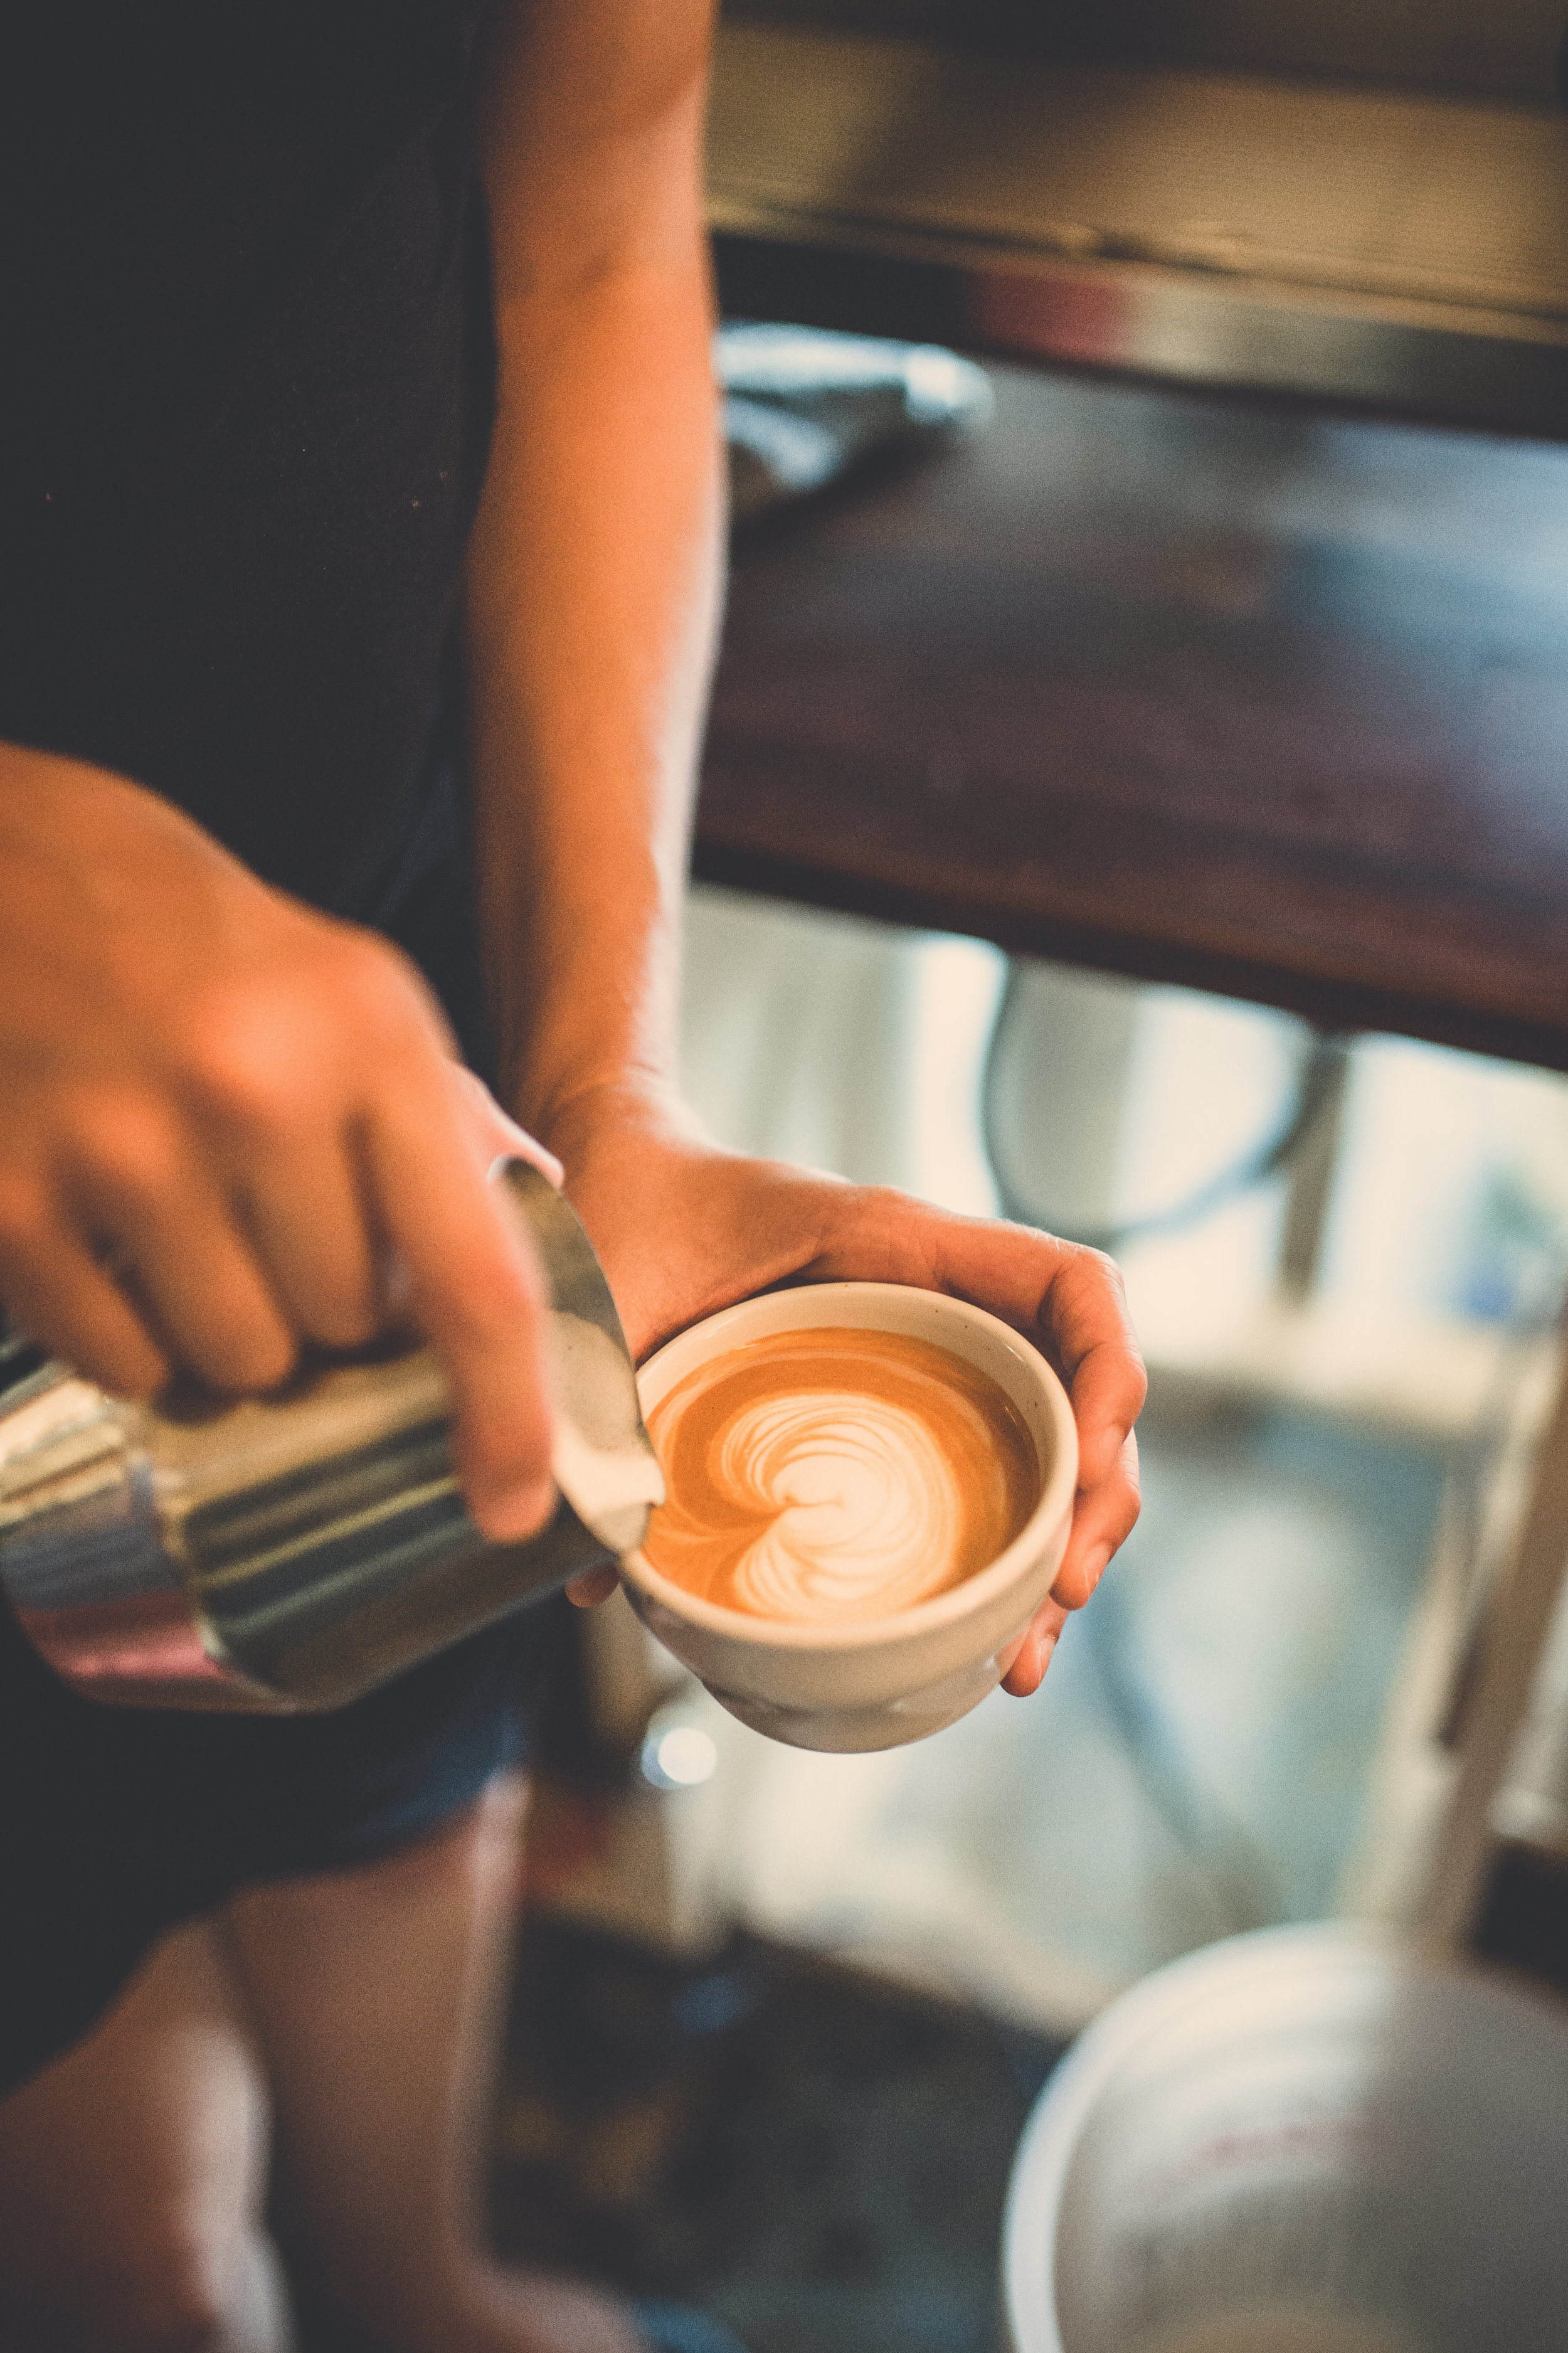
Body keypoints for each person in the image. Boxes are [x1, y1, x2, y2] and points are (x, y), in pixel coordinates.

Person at [0, 3, 1146, 2347]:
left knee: (408, 1757)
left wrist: (604, 1085)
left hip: (416, 1023)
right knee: (126, 2233)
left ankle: (412, 2272)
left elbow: (596, 232)